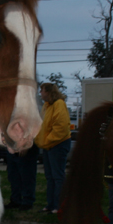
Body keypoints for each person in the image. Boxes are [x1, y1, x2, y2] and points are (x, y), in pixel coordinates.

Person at [34, 82, 71, 214]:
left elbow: (60, 128)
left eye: (42, 90)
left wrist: (47, 141)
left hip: (58, 145)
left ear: (49, 92)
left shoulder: (59, 104)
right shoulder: (46, 106)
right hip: (48, 146)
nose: (40, 93)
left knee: (58, 176)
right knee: (49, 176)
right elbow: (41, 124)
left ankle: (60, 205)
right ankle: (50, 204)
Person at [5, 144, 39, 211]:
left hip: (25, 146)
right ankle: (16, 200)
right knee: (14, 176)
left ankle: (27, 201)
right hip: (12, 146)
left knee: (27, 176)